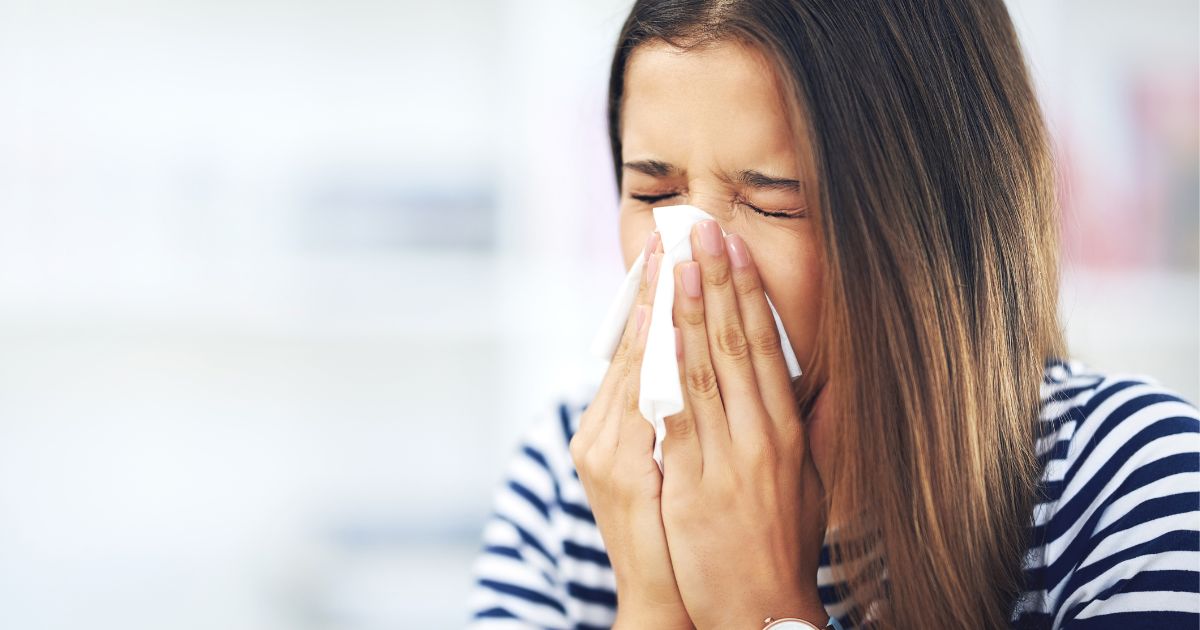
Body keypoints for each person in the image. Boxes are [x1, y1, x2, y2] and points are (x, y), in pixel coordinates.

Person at [467, 1, 1200, 628]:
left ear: (930, 222)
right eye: (654, 194)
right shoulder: (576, 478)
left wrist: (764, 605)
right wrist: (654, 605)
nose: (692, 259)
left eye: (774, 200)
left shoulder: (1130, 486)